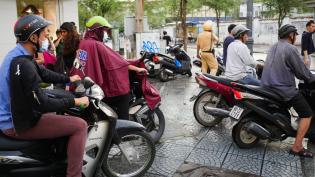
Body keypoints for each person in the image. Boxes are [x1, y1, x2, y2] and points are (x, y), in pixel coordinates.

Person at [0, 15, 88, 177]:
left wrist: (68, 78)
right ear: (33, 37)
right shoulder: (23, 64)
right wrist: (75, 100)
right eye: (43, 34)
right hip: (16, 124)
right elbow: (42, 103)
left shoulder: (17, 55)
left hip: (16, 115)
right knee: (80, 125)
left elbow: (43, 73)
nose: (47, 37)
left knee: (62, 113)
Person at [71, 16, 147, 120]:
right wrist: (138, 69)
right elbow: (118, 63)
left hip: (82, 87)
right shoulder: (97, 45)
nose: (105, 33)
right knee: (123, 95)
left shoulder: (83, 43)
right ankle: (123, 129)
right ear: (97, 30)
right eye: (104, 30)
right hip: (95, 90)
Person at [261, 24, 315, 158]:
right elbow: (302, 73)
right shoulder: (290, 49)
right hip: (283, 90)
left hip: (266, 87)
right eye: (295, 35)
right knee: (307, 114)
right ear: (291, 35)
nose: (296, 37)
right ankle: (297, 147)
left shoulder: (273, 46)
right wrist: (312, 78)